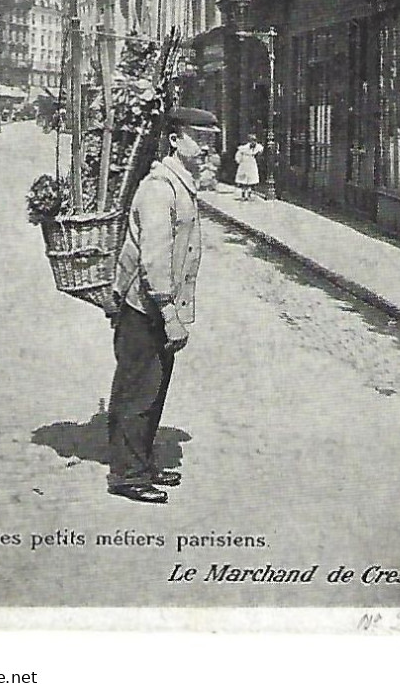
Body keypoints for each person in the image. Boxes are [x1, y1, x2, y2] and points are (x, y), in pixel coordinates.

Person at [107, 106, 221, 503]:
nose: (207, 147)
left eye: (211, 140)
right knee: (138, 391)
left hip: (152, 306)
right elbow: (154, 258)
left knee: (151, 390)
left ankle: (141, 464)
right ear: (174, 139)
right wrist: (170, 314)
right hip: (145, 307)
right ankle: (128, 475)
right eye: (200, 138)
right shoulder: (160, 188)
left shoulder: (181, 183)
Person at [235, 133, 263, 200]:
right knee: (244, 180)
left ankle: (249, 195)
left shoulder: (257, 147)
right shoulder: (244, 148)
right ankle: (243, 195)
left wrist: (257, 154)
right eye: (252, 140)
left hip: (252, 163)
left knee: (251, 180)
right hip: (245, 164)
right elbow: (238, 156)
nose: (253, 142)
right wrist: (239, 161)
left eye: (254, 140)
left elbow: (260, 149)